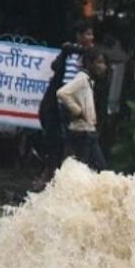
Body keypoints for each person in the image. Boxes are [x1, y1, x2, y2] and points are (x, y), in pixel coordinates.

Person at [38, 21, 94, 176]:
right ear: (79, 35)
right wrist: (66, 51)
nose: (91, 37)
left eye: (91, 34)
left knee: (77, 139)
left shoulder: (89, 54)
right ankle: (57, 172)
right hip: (64, 102)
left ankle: (71, 171)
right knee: (64, 138)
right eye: (88, 34)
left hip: (79, 101)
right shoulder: (68, 52)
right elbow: (55, 66)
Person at [56, 47, 109, 172]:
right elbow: (62, 93)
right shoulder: (82, 78)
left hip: (88, 131)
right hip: (81, 132)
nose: (103, 67)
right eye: (99, 62)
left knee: (94, 168)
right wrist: (77, 111)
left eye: (104, 63)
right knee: (89, 168)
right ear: (89, 63)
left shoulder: (90, 81)